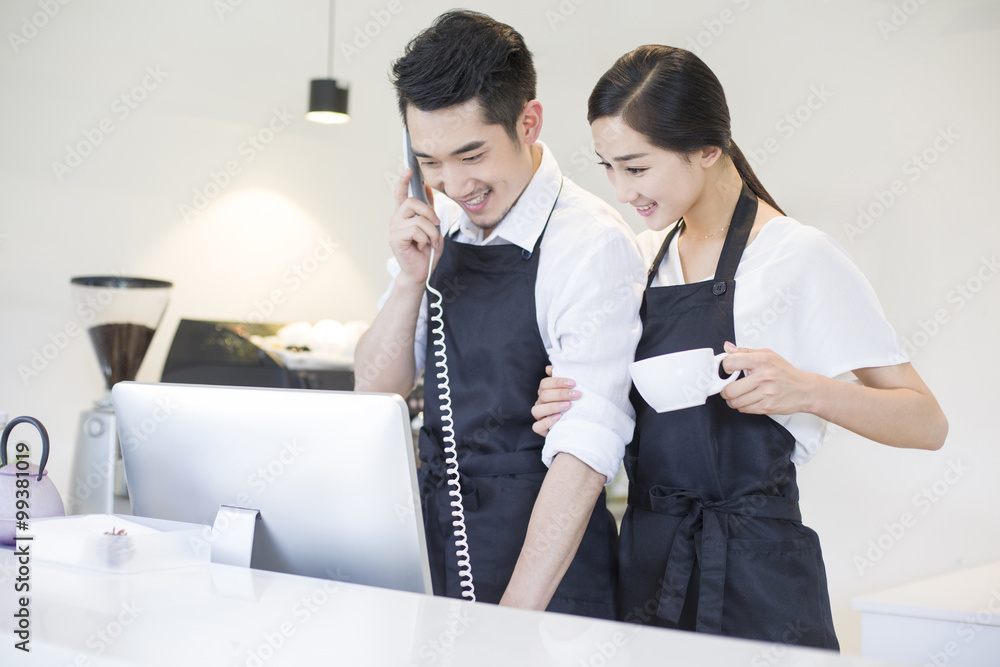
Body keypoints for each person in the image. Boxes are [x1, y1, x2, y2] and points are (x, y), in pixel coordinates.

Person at [531, 45, 948, 648]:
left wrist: (808, 390)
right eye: (608, 167)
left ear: (707, 148)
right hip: (648, 559)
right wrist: (565, 401)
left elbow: (926, 421)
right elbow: (610, 402)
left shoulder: (798, 256)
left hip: (760, 576)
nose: (622, 191)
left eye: (637, 167)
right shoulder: (641, 259)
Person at [353, 11, 646, 619]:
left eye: (471, 154)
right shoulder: (441, 223)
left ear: (528, 122)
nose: (454, 184)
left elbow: (585, 450)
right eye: (429, 161)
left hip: (545, 585)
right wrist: (411, 280)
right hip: (436, 551)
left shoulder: (589, 242)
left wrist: (512, 623)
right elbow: (375, 388)